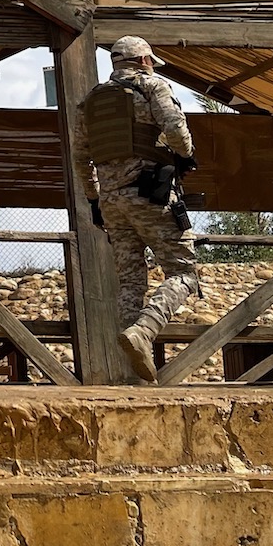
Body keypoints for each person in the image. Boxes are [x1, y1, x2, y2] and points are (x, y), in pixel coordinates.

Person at [75, 35, 198, 384]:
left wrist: (94, 199)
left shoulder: (89, 102)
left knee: (130, 281)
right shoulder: (152, 86)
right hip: (150, 192)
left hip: (112, 202)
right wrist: (186, 155)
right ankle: (144, 330)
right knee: (184, 272)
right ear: (144, 61)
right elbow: (175, 129)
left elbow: (79, 158)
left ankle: (133, 369)